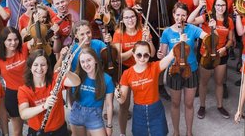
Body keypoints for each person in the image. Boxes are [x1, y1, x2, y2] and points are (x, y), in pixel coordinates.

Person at [158, 2, 208, 136]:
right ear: (173, 15)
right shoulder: (167, 32)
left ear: (186, 16)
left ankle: (189, 132)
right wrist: (160, 54)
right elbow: (162, 53)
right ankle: (176, 132)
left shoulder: (192, 29)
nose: (180, 17)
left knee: (189, 103)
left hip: (191, 70)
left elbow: (206, 36)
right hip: (174, 71)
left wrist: (211, 32)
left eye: (183, 15)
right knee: (175, 103)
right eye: (178, 14)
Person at [187, 0, 234, 119]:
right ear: (214, 6)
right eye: (218, 5)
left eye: (223, 5)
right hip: (206, 54)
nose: (220, 8)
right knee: (204, 82)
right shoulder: (207, 17)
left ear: (226, 6)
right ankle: (202, 106)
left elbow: (230, 40)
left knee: (219, 82)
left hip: (221, 54)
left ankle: (220, 106)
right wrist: (200, 7)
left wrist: (225, 48)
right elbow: (189, 21)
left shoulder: (229, 20)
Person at [116, 40, 175, 136]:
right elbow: (122, 100)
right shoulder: (127, 74)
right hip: (139, 112)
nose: (142, 58)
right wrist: (118, 95)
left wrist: (180, 40)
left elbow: (170, 56)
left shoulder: (155, 67)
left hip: (156, 109)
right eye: (139, 55)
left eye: (146, 55)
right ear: (133, 54)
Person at [112, 7, 154, 136]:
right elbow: (120, 58)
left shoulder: (144, 30)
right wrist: (137, 47)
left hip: (143, 69)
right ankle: (123, 133)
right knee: (124, 105)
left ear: (137, 17)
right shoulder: (119, 33)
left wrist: (147, 41)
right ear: (122, 20)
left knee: (145, 103)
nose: (130, 20)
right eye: (126, 17)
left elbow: (151, 53)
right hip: (126, 70)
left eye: (132, 16)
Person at [18, 49, 81, 136]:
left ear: (47, 66)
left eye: (43, 65)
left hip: (59, 130)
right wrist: (44, 106)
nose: (39, 68)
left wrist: (67, 72)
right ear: (30, 67)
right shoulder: (24, 90)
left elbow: (76, 82)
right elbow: (23, 114)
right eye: (35, 65)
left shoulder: (55, 79)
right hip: (38, 132)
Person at [0, 26, 29, 136]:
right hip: (13, 95)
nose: (13, 43)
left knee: (36, 125)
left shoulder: (25, 48)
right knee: (17, 131)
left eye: (16, 39)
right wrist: (0, 108)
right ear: (3, 41)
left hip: (30, 91)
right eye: (9, 40)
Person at [70, 48, 114, 136]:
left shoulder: (107, 79)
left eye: (89, 60)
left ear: (96, 60)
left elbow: (109, 105)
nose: (86, 64)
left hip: (95, 115)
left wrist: (109, 126)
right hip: (77, 113)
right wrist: (66, 71)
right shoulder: (77, 76)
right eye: (82, 62)